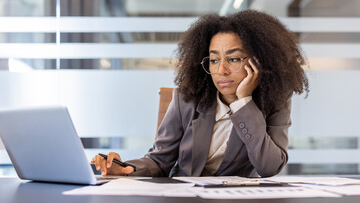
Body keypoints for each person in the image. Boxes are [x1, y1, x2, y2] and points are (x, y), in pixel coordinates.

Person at [92, 10, 309, 177]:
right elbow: (159, 160)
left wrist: (243, 103)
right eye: (214, 60)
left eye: (233, 59)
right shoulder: (186, 99)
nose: (221, 70)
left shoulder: (275, 101)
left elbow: (270, 167)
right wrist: (125, 169)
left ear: (258, 62)